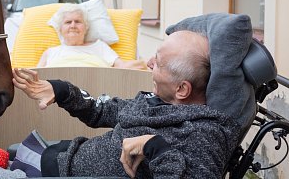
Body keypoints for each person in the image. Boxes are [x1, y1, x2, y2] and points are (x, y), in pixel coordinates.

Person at [12, 30, 241, 178]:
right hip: (59, 156)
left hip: (57, 173)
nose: (149, 63)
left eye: (158, 63)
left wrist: (153, 145)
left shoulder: (203, 134)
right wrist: (60, 90)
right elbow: (99, 111)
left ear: (182, 89)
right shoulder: (157, 103)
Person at [37, 4, 147, 69]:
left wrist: (148, 63)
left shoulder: (100, 47)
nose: (73, 25)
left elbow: (123, 67)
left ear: (86, 27)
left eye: (78, 21)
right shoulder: (50, 52)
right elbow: (35, 77)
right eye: (68, 22)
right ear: (60, 29)